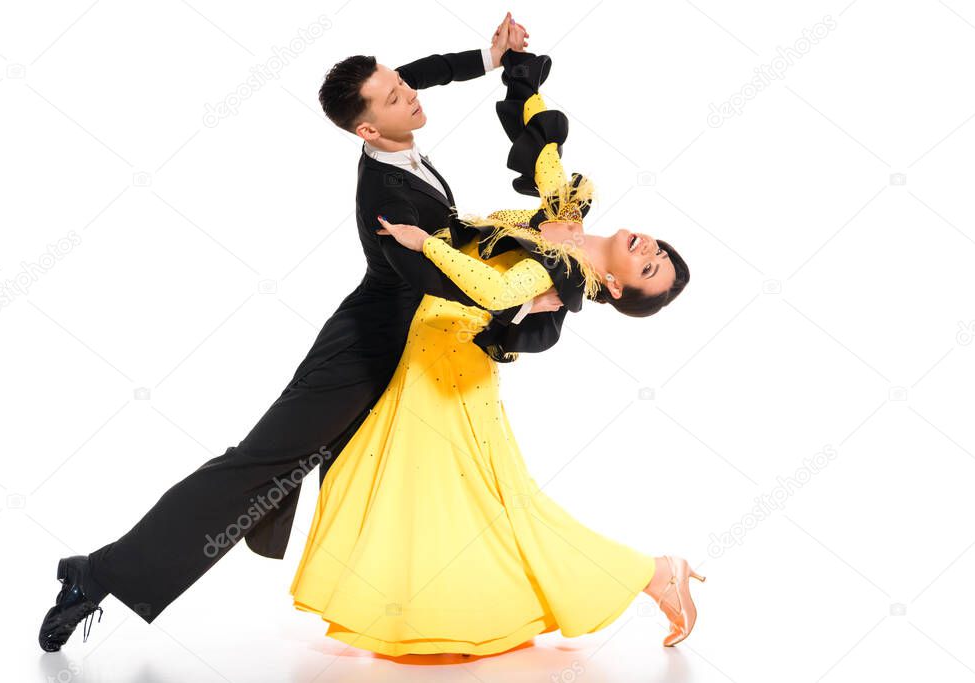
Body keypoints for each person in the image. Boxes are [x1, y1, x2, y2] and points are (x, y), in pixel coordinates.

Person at [37, 13, 562, 652]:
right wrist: (520, 298)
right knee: (257, 471)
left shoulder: (394, 135)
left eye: (401, 85)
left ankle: (437, 612)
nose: (411, 95)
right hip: (367, 353)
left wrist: (488, 55)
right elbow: (432, 279)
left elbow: (422, 73)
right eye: (395, 97)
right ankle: (93, 575)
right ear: (368, 128)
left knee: (402, 480)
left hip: (415, 352)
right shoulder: (386, 200)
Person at [288, 49, 698, 657]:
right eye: (659, 251)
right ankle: (439, 611)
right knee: (421, 487)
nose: (649, 248)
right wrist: (519, 72)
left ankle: (652, 574)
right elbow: (542, 146)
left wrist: (427, 242)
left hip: (451, 365)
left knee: (468, 494)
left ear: (615, 287)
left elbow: (497, 289)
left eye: (646, 267)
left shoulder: (562, 271)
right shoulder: (570, 211)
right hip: (423, 347)